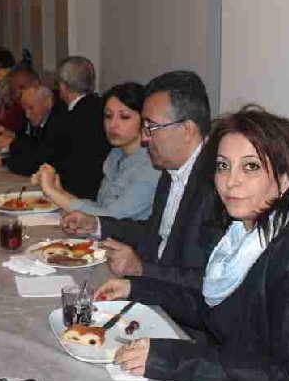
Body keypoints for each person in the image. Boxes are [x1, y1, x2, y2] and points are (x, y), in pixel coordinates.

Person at [99, 105, 289, 381]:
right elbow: (213, 305)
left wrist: (170, 358)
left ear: (285, 180)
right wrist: (137, 288)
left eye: (250, 167)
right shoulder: (243, 234)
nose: (230, 181)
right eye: (223, 166)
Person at [61, 70, 220, 288]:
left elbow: (211, 282)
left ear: (187, 130)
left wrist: (141, 269)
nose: (144, 138)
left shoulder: (217, 186)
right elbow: (154, 234)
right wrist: (96, 224)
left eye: (151, 128)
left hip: (177, 305)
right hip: (155, 289)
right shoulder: (171, 170)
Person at [33, 82, 158, 220]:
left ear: (144, 121)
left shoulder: (152, 165)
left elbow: (111, 217)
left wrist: (52, 192)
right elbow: (100, 207)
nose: (113, 125)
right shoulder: (116, 154)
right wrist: (60, 191)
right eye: (108, 116)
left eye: (124, 117)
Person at [50, 56, 111, 200]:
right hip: (101, 191)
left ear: (63, 86)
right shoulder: (102, 108)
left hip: (77, 195)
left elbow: (58, 161)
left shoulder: (69, 118)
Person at [2, 85, 66, 177]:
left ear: (48, 103)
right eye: (25, 109)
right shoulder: (36, 117)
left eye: (31, 108)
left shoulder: (60, 122)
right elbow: (17, 146)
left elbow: (37, 164)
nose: (27, 115)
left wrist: (8, 162)